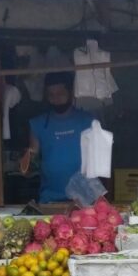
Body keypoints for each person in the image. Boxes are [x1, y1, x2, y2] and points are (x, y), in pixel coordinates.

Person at [19, 72, 95, 202]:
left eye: (60, 93)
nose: (55, 98)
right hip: (50, 197)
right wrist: (26, 164)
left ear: (71, 92)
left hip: (84, 197)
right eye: (51, 95)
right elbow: (33, 158)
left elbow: (99, 160)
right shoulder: (38, 124)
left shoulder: (88, 121)